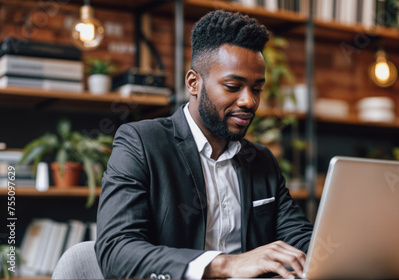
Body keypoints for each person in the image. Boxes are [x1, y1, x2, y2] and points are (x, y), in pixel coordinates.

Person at [95, 10, 313, 279]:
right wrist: (226, 264)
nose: (249, 101)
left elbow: (299, 238)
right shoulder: (141, 143)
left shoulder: (261, 160)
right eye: (233, 86)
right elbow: (116, 251)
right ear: (194, 83)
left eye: (256, 89)